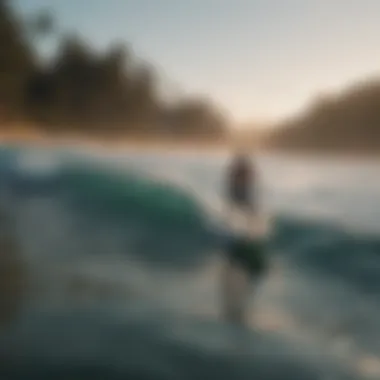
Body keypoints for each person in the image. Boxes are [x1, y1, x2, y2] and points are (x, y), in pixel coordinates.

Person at [221, 150, 266, 326]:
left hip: (242, 236)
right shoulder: (237, 183)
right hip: (238, 240)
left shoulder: (241, 181)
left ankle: (237, 313)